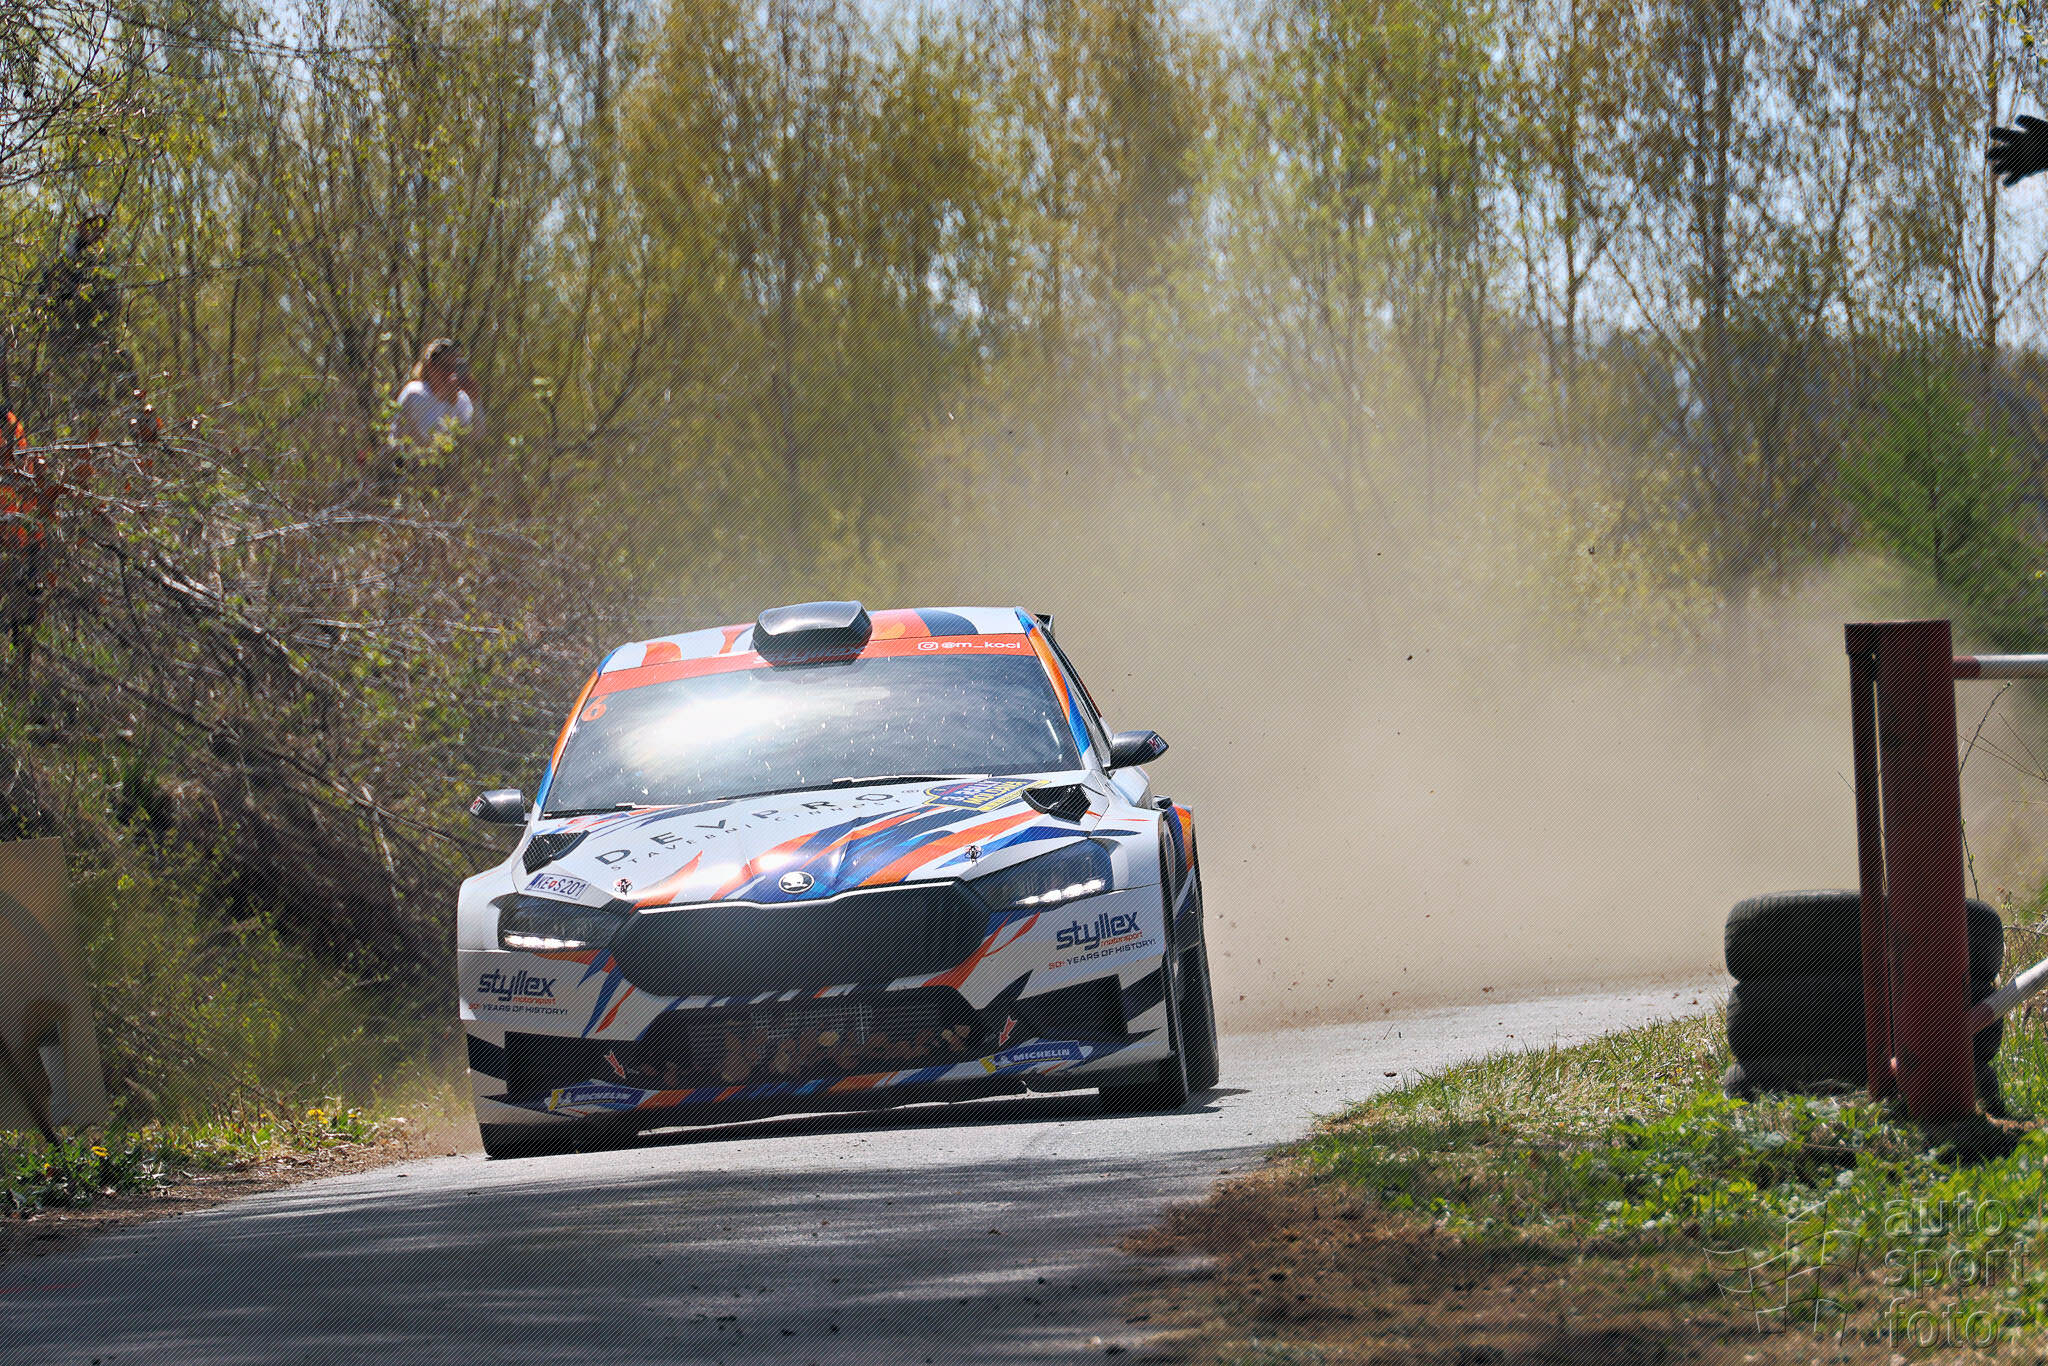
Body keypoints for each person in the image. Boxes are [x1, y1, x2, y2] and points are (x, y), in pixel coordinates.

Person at [390, 338, 478, 448]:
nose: (450, 373)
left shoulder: (461, 399)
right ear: (431, 366)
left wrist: (475, 400)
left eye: (455, 368)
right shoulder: (414, 393)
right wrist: (450, 404)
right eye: (445, 366)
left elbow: (477, 438)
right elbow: (425, 442)